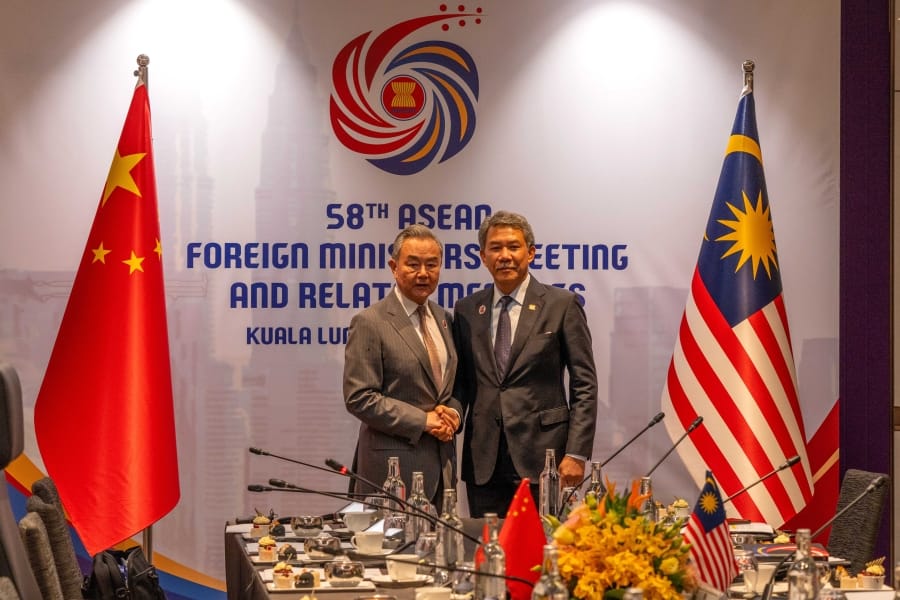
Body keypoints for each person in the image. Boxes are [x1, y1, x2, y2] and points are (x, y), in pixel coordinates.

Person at [453, 210, 598, 517]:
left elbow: (584, 385)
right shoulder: (467, 309)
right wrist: (451, 414)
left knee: (544, 544)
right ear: (483, 257)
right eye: (495, 248)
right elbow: (462, 382)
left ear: (530, 253)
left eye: (513, 246)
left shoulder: (562, 305)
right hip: (484, 461)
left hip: (545, 459)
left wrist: (576, 452)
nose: (504, 256)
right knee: (487, 544)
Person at [343, 224, 461, 505]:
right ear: (394, 267)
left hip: (442, 467)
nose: (423, 273)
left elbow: (451, 386)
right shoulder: (370, 322)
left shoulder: (444, 318)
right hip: (391, 471)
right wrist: (423, 420)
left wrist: (453, 415)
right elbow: (359, 397)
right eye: (413, 264)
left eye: (431, 264)